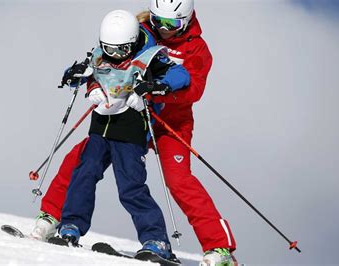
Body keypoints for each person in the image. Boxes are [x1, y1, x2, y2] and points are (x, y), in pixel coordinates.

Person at [31, 1, 237, 265]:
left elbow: (193, 88)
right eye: (158, 20)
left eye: (171, 24)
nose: (163, 29)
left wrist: (160, 89)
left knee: (179, 180)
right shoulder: (138, 31)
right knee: (81, 159)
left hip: (169, 122)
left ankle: (220, 249)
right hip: (129, 116)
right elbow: (106, 62)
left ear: (186, 20)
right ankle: (51, 217)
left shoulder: (197, 48)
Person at [54, 10, 189, 262]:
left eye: (120, 51)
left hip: (130, 128)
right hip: (100, 125)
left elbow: (181, 75)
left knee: (131, 187)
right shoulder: (100, 54)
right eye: (109, 49)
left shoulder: (149, 56)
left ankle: (156, 240)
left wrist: (156, 86)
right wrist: (76, 77)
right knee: (85, 173)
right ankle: (70, 227)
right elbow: (79, 71)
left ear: (133, 41)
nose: (114, 56)